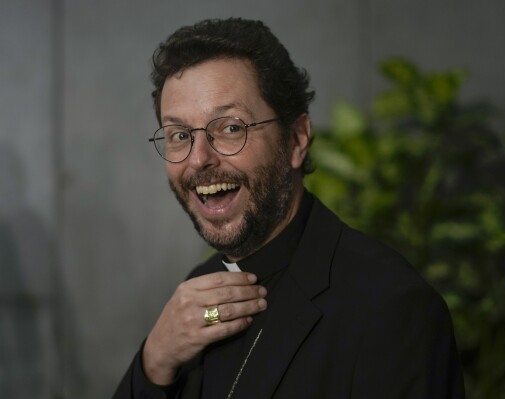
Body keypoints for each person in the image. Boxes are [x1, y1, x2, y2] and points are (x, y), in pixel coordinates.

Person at [114, 18, 465, 399]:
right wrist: (156, 359)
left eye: (230, 128)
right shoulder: (201, 285)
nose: (199, 159)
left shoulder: (393, 309)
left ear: (296, 140)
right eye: (180, 135)